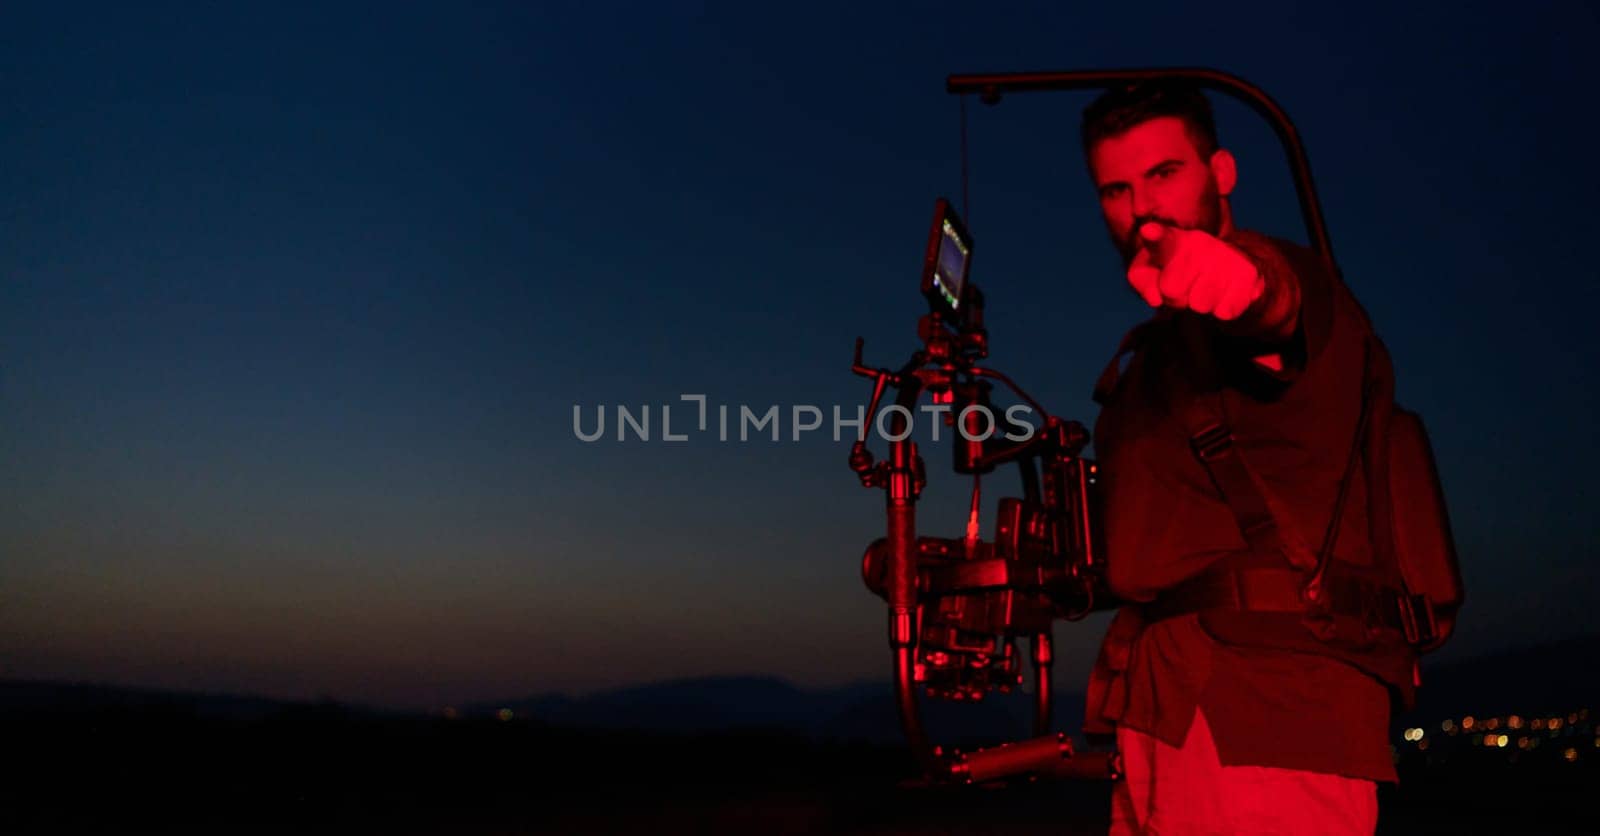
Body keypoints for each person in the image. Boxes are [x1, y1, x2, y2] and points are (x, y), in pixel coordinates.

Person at [1079, 81, 1408, 834]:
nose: (1142, 207)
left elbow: (1274, 312)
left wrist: (1240, 286)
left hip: (1268, 719)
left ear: (1221, 173)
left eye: (1164, 173)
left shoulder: (1292, 285)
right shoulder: (1156, 358)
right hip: (1168, 712)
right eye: (1117, 189)